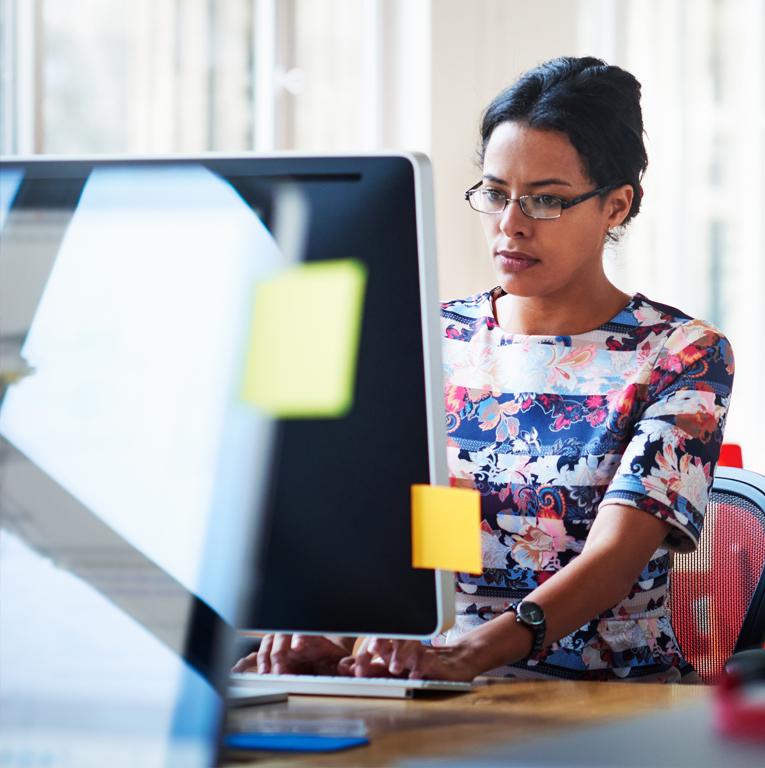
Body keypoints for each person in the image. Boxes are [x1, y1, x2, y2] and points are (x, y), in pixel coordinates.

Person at [233, 56, 734, 683]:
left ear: (615, 206)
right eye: (496, 193)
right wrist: (335, 634)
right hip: (440, 686)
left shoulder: (681, 353)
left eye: (546, 200)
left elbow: (614, 561)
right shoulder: (436, 336)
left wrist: (474, 654)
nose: (510, 225)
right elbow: (437, 529)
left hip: (607, 702)